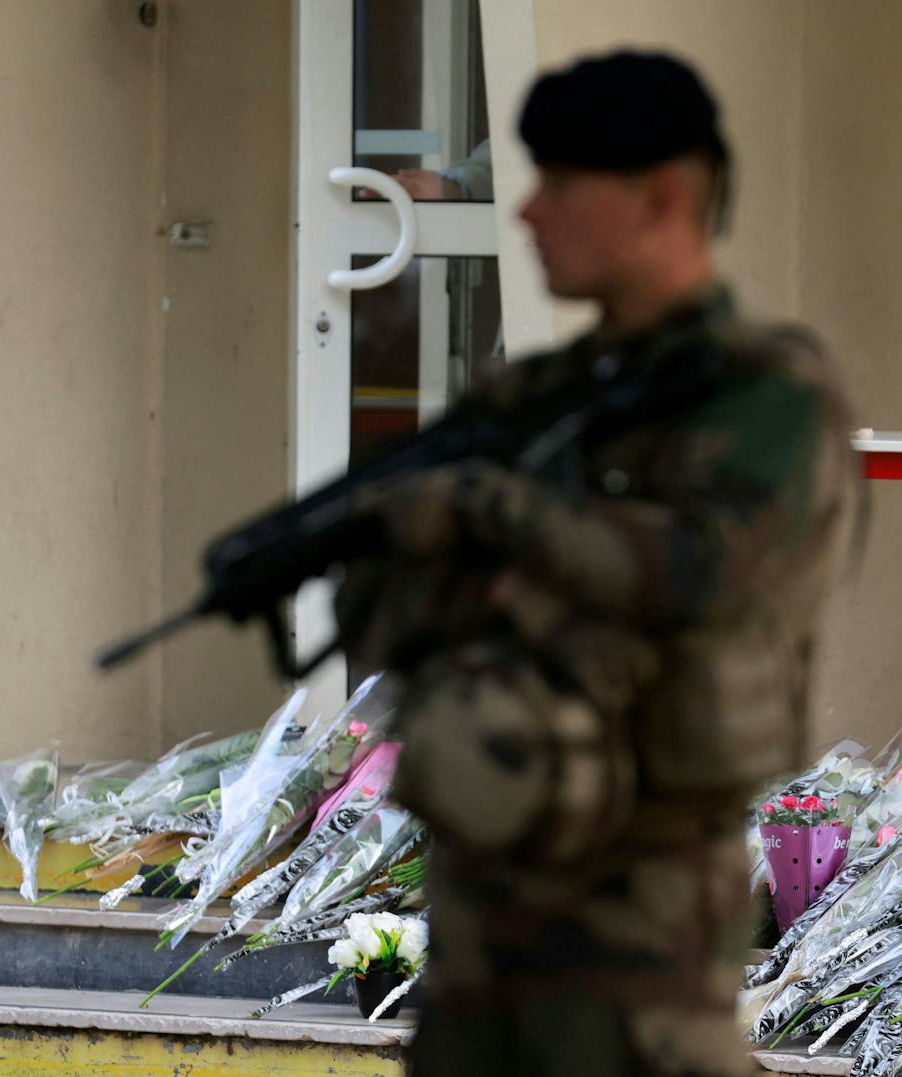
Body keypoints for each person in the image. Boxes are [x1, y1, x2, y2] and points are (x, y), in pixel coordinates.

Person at [340, 49, 858, 1076]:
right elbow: (386, 602)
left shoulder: (766, 398)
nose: (525, 213)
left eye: (560, 182)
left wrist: (495, 521)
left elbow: (698, 579)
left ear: (662, 195)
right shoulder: (533, 399)